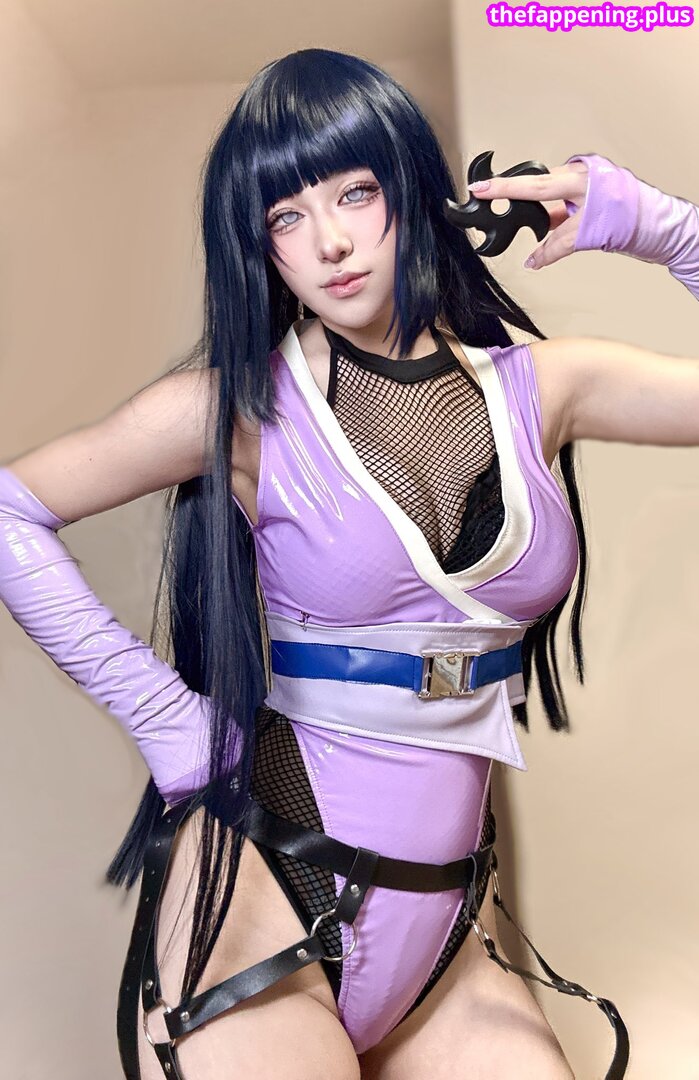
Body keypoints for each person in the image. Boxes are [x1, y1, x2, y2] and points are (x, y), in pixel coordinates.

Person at [1, 46, 698, 1080]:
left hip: (447, 925)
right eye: (284, 217)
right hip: (261, 892)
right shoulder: (240, 407)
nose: (327, 241)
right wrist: (166, 723)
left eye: (354, 194)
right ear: (260, 249)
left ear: (410, 188)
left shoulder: (545, 387)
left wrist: (656, 226)